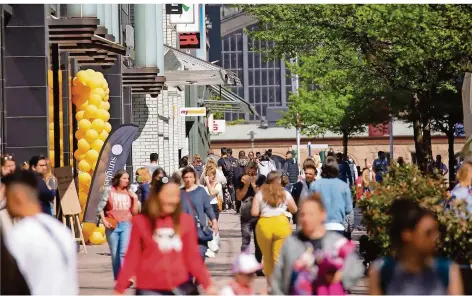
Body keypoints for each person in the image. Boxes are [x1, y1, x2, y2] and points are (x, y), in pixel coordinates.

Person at [115, 177, 217, 295]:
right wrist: (120, 287)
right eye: (168, 195)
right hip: (149, 288)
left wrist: (207, 284)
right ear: (157, 196)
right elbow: (132, 256)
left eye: (176, 195)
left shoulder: (185, 221)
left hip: (180, 286)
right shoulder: (141, 222)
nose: (173, 200)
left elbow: (193, 257)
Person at [2, 170, 78, 294]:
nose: (6, 204)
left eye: (6, 197)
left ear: (17, 196)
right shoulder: (61, 230)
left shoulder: (19, 235)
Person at [271, 193, 364, 295]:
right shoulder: (290, 242)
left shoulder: (336, 242)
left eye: (311, 214)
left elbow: (356, 268)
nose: (306, 219)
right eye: (302, 214)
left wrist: (341, 276)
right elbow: (277, 277)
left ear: (322, 215)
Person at [368, 198, 463, 295]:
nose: (436, 237)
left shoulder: (447, 271)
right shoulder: (382, 271)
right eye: (428, 233)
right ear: (407, 234)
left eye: (437, 231)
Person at [251, 171, 298, 282]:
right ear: (279, 181)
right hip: (281, 224)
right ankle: (281, 283)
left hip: (265, 224)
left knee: (267, 257)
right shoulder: (285, 193)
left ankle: (271, 285)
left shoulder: (260, 194)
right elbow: (294, 209)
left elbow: (254, 212)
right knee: (279, 256)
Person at [97, 169, 139, 281]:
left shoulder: (130, 192)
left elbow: (135, 212)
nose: (127, 180)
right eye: (124, 178)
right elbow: (100, 208)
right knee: (115, 255)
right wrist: (104, 221)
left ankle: (126, 277)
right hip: (112, 225)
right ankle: (119, 278)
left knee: (123, 252)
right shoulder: (109, 190)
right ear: (118, 179)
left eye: (128, 178)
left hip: (126, 225)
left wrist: (135, 198)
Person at [181, 167, 218, 260]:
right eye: (186, 177)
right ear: (183, 178)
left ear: (194, 178)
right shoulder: (179, 193)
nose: (188, 179)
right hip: (184, 231)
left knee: (200, 255)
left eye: (190, 177)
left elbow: (208, 208)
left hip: (199, 230)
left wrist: (214, 221)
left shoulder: (201, 191)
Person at [309, 156, 353, 235]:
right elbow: (349, 209)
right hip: (338, 226)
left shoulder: (314, 185)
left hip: (320, 226)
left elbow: (310, 207)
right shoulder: (344, 186)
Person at [235, 161, 262, 266]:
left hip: (259, 214)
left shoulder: (261, 179)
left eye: (253, 172)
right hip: (246, 214)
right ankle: (244, 265)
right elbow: (239, 197)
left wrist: (254, 185)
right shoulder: (239, 179)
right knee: (245, 241)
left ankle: (258, 265)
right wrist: (246, 185)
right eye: (249, 172)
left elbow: (261, 196)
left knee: (259, 243)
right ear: (246, 170)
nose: (251, 174)